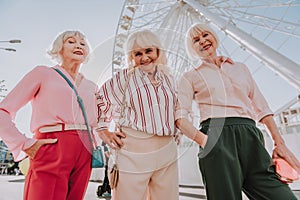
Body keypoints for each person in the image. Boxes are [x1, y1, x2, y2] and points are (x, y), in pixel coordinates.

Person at [175, 23, 300, 200]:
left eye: (205, 35)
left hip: (251, 137)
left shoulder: (240, 68)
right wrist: (206, 142)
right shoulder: (190, 77)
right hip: (216, 136)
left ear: (214, 37)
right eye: (196, 40)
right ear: (192, 48)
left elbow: (262, 108)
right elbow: (180, 118)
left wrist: (279, 142)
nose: (202, 41)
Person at [0, 30, 99, 200]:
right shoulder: (43, 73)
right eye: (71, 41)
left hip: (85, 149)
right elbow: (4, 111)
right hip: (52, 143)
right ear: (59, 48)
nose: (78, 45)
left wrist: (96, 143)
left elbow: (99, 121)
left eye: (83, 43)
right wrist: (24, 143)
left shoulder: (92, 86)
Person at [96, 29, 179, 200]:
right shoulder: (124, 78)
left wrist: (178, 134)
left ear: (157, 51)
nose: (144, 57)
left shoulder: (170, 79)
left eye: (148, 51)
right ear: (131, 57)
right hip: (133, 147)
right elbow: (99, 100)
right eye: (138, 53)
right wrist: (104, 131)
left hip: (167, 149)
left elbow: (180, 109)